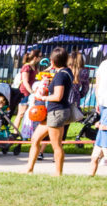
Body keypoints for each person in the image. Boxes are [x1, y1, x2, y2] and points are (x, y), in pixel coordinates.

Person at [26, 48, 73, 176]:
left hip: (56, 113)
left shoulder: (61, 75)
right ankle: (29, 169)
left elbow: (58, 96)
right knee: (35, 139)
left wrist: (43, 97)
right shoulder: (66, 71)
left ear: (52, 61)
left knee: (56, 145)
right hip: (53, 112)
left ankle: (58, 173)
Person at [13, 49, 41, 131]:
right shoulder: (26, 67)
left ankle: (27, 131)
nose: (40, 58)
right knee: (21, 113)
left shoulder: (34, 67)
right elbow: (25, 82)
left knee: (29, 114)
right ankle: (15, 132)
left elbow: (39, 75)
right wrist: (31, 92)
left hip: (31, 92)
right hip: (24, 93)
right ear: (35, 57)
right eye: (40, 56)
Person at [89, 105, 107, 177]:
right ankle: (91, 176)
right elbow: (104, 118)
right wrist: (99, 122)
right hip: (100, 137)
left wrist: (105, 127)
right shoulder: (103, 106)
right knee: (94, 157)